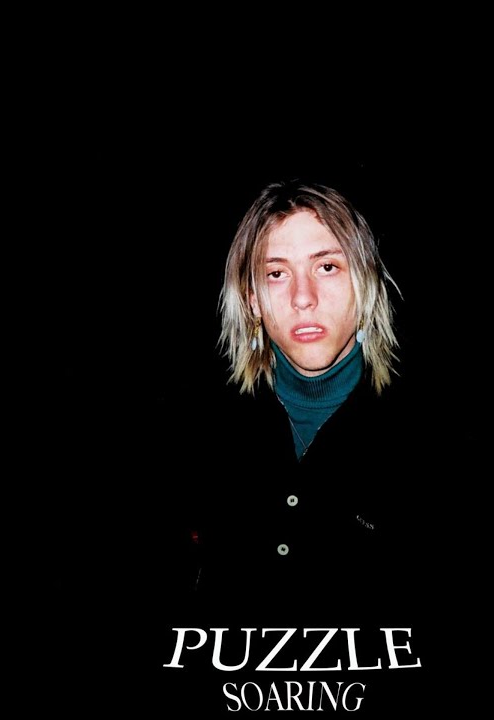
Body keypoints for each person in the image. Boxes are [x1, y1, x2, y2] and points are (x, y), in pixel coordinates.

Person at [167, 179, 419, 607]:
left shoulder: (428, 435)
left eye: (327, 267)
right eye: (277, 274)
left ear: (364, 284)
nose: (303, 298)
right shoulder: (198, 428)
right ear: (252, 300)